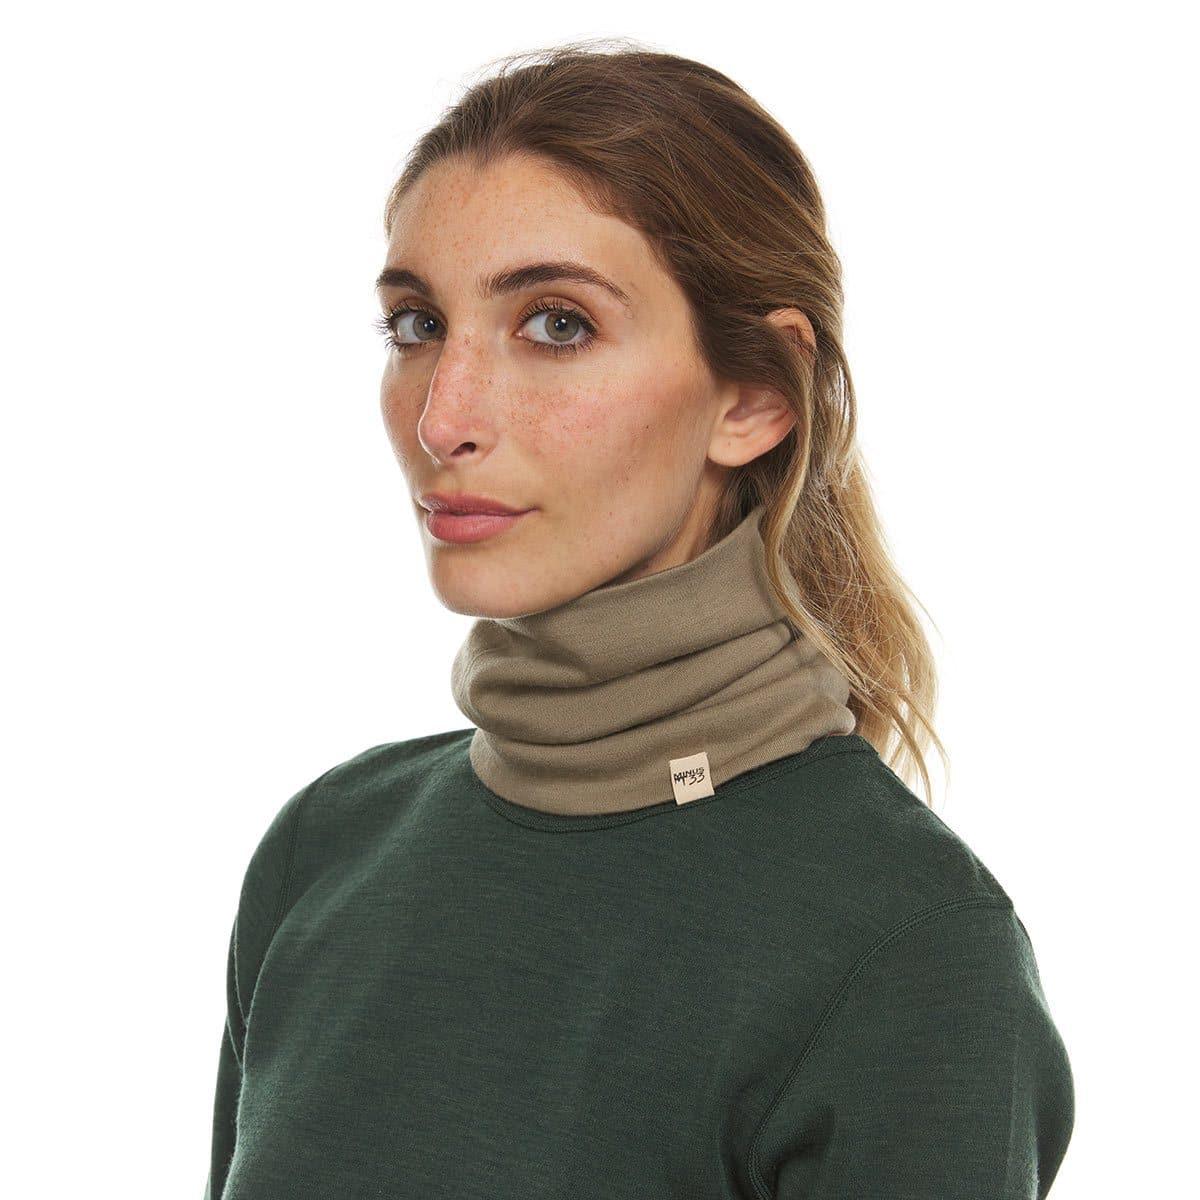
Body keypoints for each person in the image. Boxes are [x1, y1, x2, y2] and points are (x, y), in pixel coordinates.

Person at [204, 41, 1075, 1200]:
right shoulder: (323, 853)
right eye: (416, 325)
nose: (442, 418)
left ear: (754, 396)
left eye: (556, 325)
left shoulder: (907, 948)